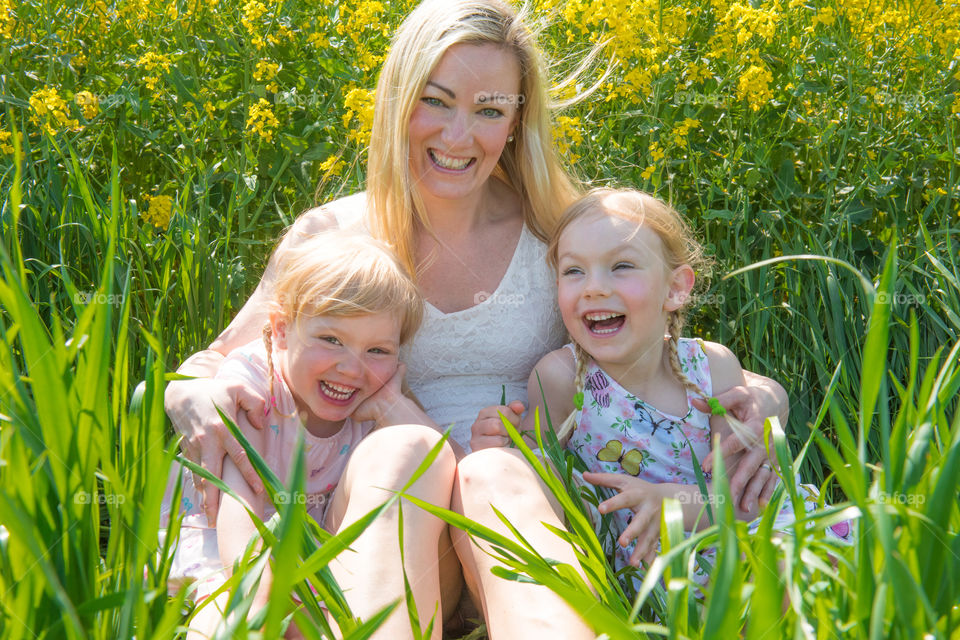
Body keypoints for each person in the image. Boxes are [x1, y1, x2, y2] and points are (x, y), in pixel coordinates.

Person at [164, 1, 789, 636]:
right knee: (405, 452)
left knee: (492, 471)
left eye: (489, 111)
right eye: (435, 101)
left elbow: (651, 342)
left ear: (517, 122)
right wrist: (186, 393)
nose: (459, 137)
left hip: (523, 511)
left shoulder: (557, 233)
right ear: (397, 99)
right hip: (380, 520)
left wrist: (765, 397)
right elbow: (223, 361)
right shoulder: (335, 238)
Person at [471, 187, 852, 586]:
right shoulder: (559, 377)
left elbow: (742, 501)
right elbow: (542, 481)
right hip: (653, 568)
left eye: (621, 266)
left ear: (675, 289)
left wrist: (668, 501)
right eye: (573, 271)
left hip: (743, 538)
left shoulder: (711, 368)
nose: (594, 287)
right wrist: (503, 443)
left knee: (787, 569)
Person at [160, 231, 452, 638]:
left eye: (378, 351)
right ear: (280, 331)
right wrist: (257, 602)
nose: (352, 369)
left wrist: (391, 404)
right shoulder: (251, 386)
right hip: (226, 552)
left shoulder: (371, 404)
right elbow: (237, 509)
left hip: (308, 561)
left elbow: (442, 463)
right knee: (236, 623)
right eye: (331, 340)